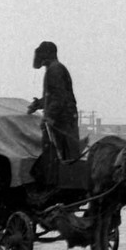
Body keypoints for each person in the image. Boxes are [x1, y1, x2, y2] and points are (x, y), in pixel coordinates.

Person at [27, 41, 80, 184]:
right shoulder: (55, 69)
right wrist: (38, 104)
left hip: (62, 121)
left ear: (49, 53)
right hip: (64, 118)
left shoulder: (55, 70)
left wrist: (49, 117)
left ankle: (56, 183)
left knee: (57, 153)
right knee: (59, 153)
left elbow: (58, 97)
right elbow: (54, 96)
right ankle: (59, 181)